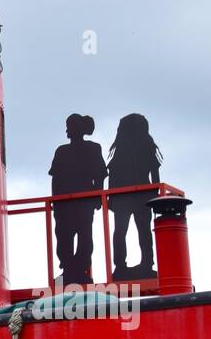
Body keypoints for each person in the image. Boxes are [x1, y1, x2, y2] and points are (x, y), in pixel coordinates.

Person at [48, 114, 107, 285]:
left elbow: (100, 175)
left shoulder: (92, 148)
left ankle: (78, 270)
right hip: (67, 204)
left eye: (69, 126)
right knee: (65, 238)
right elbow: (55, 179)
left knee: (83, 238)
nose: (67, 129)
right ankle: (69, 270)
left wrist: (97, 195)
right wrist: (55, 201)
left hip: (82, 203)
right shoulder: (62, 151)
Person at [107, 114, 162, 279]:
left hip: (124, 197)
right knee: (142, 230)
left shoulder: (121, 149)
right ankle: (145, 263)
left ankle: (123, 266)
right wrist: (155, 193)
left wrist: (111, 197)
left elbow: (112, 175)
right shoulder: (147, 147)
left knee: (123, 231)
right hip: (140, 197)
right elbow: (155, 174)